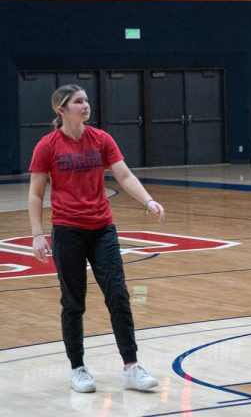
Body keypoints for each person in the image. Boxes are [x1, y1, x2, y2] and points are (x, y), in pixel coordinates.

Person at [27, 84, 165, 393]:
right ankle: (78, 368)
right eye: (78, 102)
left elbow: (124, 175)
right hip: (67, 231)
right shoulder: (47, 146)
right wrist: (37, 235)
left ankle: (131, 366)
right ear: (62, 110)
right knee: (73, 303)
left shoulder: (101, 140)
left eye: (86, 100)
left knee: (118, 294)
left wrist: (148, 200)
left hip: (102, 229)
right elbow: (36, 194)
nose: (85, 106)